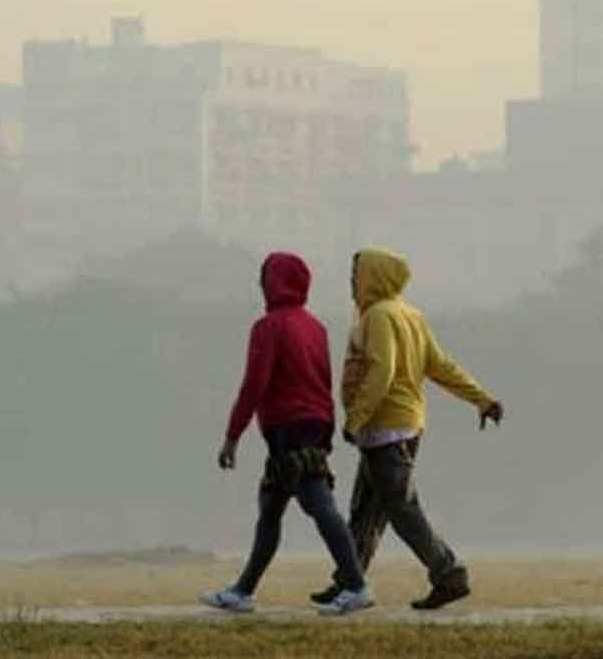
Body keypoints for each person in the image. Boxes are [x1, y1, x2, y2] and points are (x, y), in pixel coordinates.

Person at [309, 248, 504, 611]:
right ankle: (348, 580)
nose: (352, 284)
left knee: (401, 508)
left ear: (374, 278)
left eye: (357, 276)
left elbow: (381, 370)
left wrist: (356, 419)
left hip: (386, 427)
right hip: (402, 425)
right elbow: (440, 365)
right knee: (366, 509)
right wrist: (482, 399)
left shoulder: (380, 317)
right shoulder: (409, 315)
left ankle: (449, 573)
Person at [201, 252, 373, 616]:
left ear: (274, 282)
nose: (260, 284)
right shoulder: (316, 327)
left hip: (289, 430)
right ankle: (243, 590)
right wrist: (327, 425)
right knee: (270, 510)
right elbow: (324, 381)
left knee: (319, 505)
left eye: (264, 277)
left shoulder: (268, 328)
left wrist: (232, 436)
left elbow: (254, 384)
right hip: (312, 424)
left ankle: (357, 585)